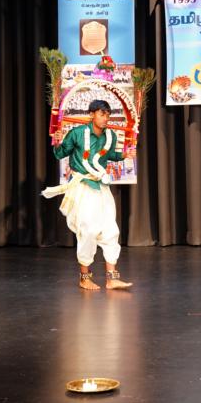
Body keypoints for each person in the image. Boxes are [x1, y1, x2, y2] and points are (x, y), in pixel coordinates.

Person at [43, 99, 136, 290]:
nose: (105, 118)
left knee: (110, 229)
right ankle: (84, 277)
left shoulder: (109, 135)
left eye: (108, 115)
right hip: (83, 186)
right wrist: (58, 142)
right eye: (102, 114)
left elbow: (109, 155)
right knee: (88, 230)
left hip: (101, 186)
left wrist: (124, 155)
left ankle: (111, 278)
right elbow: (60, 154)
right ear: (92, 114)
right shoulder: (77, 133)